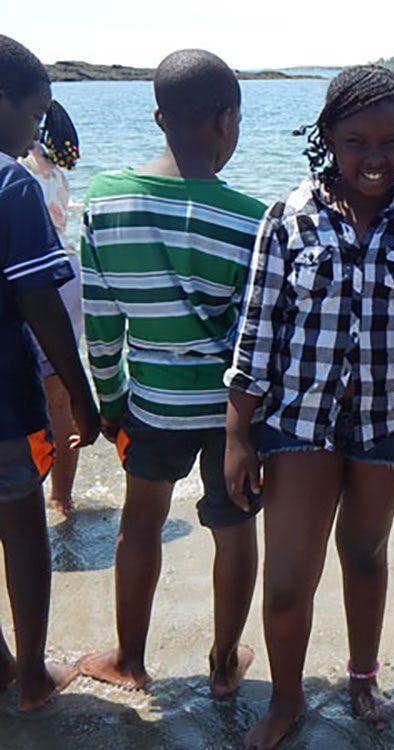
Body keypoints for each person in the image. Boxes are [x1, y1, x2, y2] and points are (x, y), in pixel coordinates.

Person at [224, 65, 394, 750]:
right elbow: (258, 328)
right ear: (327, 136)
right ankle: (288, 700)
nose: (376, 158)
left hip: (386, 422)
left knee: (364, 554)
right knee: (291, 576)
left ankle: (362, 678)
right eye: (356, 140)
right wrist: (239, 433)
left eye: (392, 142)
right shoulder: (289, 216)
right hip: (299, 424)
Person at [77, 49, 266, 699]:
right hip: (227, 414)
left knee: (141, 524)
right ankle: (221, 668)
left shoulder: (103, 202)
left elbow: (100, 323)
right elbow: (255, 333)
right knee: (234, 529)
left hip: (149, 402)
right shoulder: (250, 218)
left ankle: (129, 658)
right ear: (228, 121)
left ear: (158, 116)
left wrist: (108, 399)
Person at [0, 33, 99, 710]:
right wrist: (84, 396)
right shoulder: (11, 183)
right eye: (34, 113)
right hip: (1, 401)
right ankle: (32, 675)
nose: (38, 128)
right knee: (21, 518)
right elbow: (39, 300)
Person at [20, 98, 83, 514]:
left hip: (33, 277)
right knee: (60, 399)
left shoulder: (16, 163)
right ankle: (61, 498)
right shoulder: (53, 164)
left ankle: (22, 496)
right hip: (68, 273)